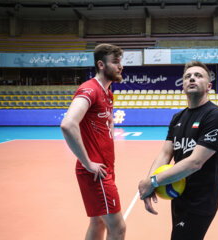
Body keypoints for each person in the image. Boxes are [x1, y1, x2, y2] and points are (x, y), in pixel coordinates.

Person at [138, 61, 218, 240]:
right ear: (183, 86)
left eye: (198, 75)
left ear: (209, 86)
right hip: (178, 195)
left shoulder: (215, 116)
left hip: (201, 200)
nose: (192, 78)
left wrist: (153, 181)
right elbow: (165, 154)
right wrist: (149, 183)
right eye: (187, 76)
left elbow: (195, 162)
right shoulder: (177, 117)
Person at [61, 43, 126, 240]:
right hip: (95, 172)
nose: (120, 66)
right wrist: (88, 162)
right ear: (101, 65)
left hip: (104, 168)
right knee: (118, 228)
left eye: (120, 61)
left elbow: (108, 123)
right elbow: (68, 124)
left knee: (97, 222)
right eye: (115, 62)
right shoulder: (89, 90)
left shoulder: (107, 92)